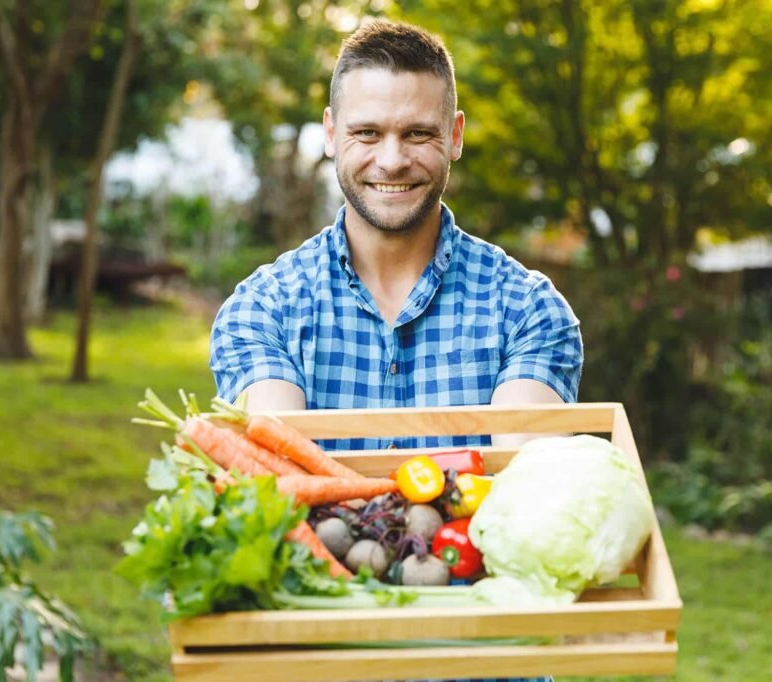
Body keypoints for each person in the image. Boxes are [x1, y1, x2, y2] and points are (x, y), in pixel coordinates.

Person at [209, 19, 581, 682]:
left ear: (455, 137)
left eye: (417, 134)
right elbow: (279, 487)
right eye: (366, 133)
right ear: (330, 134)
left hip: (482, 668)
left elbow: (516, 499)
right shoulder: (262, 311)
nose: (391, 160)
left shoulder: (529, 310)